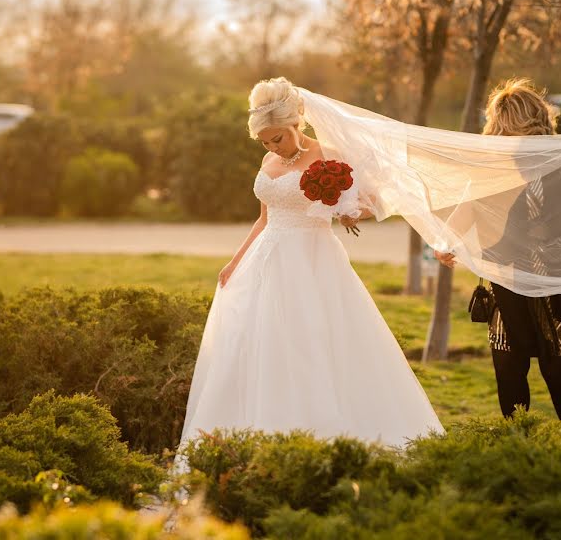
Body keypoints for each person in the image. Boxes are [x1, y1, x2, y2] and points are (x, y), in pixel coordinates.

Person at [179, 77, 444, 451]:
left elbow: (368, 200)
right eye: (265, 142)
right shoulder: (268, 160)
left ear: (295, 124)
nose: (272, 147)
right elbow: (264, 218)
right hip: (267, 260)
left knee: (312, 343)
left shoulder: (326, 155)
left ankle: (324, 436)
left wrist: (350, 213)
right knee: (260, 346)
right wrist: (234, 261)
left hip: (313, 260)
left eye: (278, 138)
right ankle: (254, 437)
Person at [434, 78, 561, 420]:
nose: (512, 135)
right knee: (509, 367)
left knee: (556, 370)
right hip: (506, 278)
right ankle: (518, 443)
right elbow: (465, 209)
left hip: (557, 279)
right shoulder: (489, 164)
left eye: (515, 126)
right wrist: (444, 242)